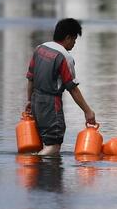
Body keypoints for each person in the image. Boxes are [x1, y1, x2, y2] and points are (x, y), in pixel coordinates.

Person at [24, 18, 96, 156]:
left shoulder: (40, 49)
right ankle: (35, 164)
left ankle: (37, 169)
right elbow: (72, 88)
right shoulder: (64, 57)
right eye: (74, 40)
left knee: (39, 143)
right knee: (54, 145)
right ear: (68, 37)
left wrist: (29, 100)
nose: (74, 44)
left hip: (35, 101)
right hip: (51, 106)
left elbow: (30, 78)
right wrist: (87, 111)